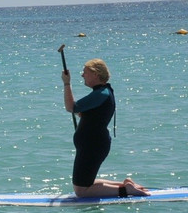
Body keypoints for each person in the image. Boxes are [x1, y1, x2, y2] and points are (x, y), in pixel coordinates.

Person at [61, 58, 148, 197]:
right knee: (85, 184)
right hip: (91, 145)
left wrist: (66, 83)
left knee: (82, 191)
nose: (82, 75)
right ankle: (125, 184)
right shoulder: (102, 92)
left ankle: (126, 190)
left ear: (95, 74)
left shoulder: (101, 93)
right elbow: (88, 113)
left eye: (85, 72)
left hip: (93, 145)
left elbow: (71, 107)